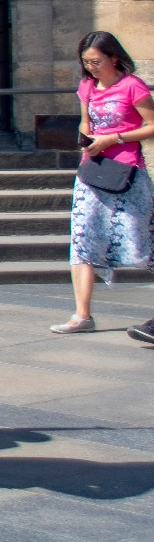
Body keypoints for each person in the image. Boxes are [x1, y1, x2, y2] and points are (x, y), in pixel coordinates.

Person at [52, 30, 154, 334]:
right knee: (82, 238)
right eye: (87, 62)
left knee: (145, 241)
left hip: (127, 174)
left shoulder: (132, 86)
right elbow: (86, 120)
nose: (92, 67)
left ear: (113, 57)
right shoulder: (87, 87)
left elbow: (153, 125)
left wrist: (115, 137)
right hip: (93, 172)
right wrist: (87, 138)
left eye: (96, 61)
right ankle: (82, 314)